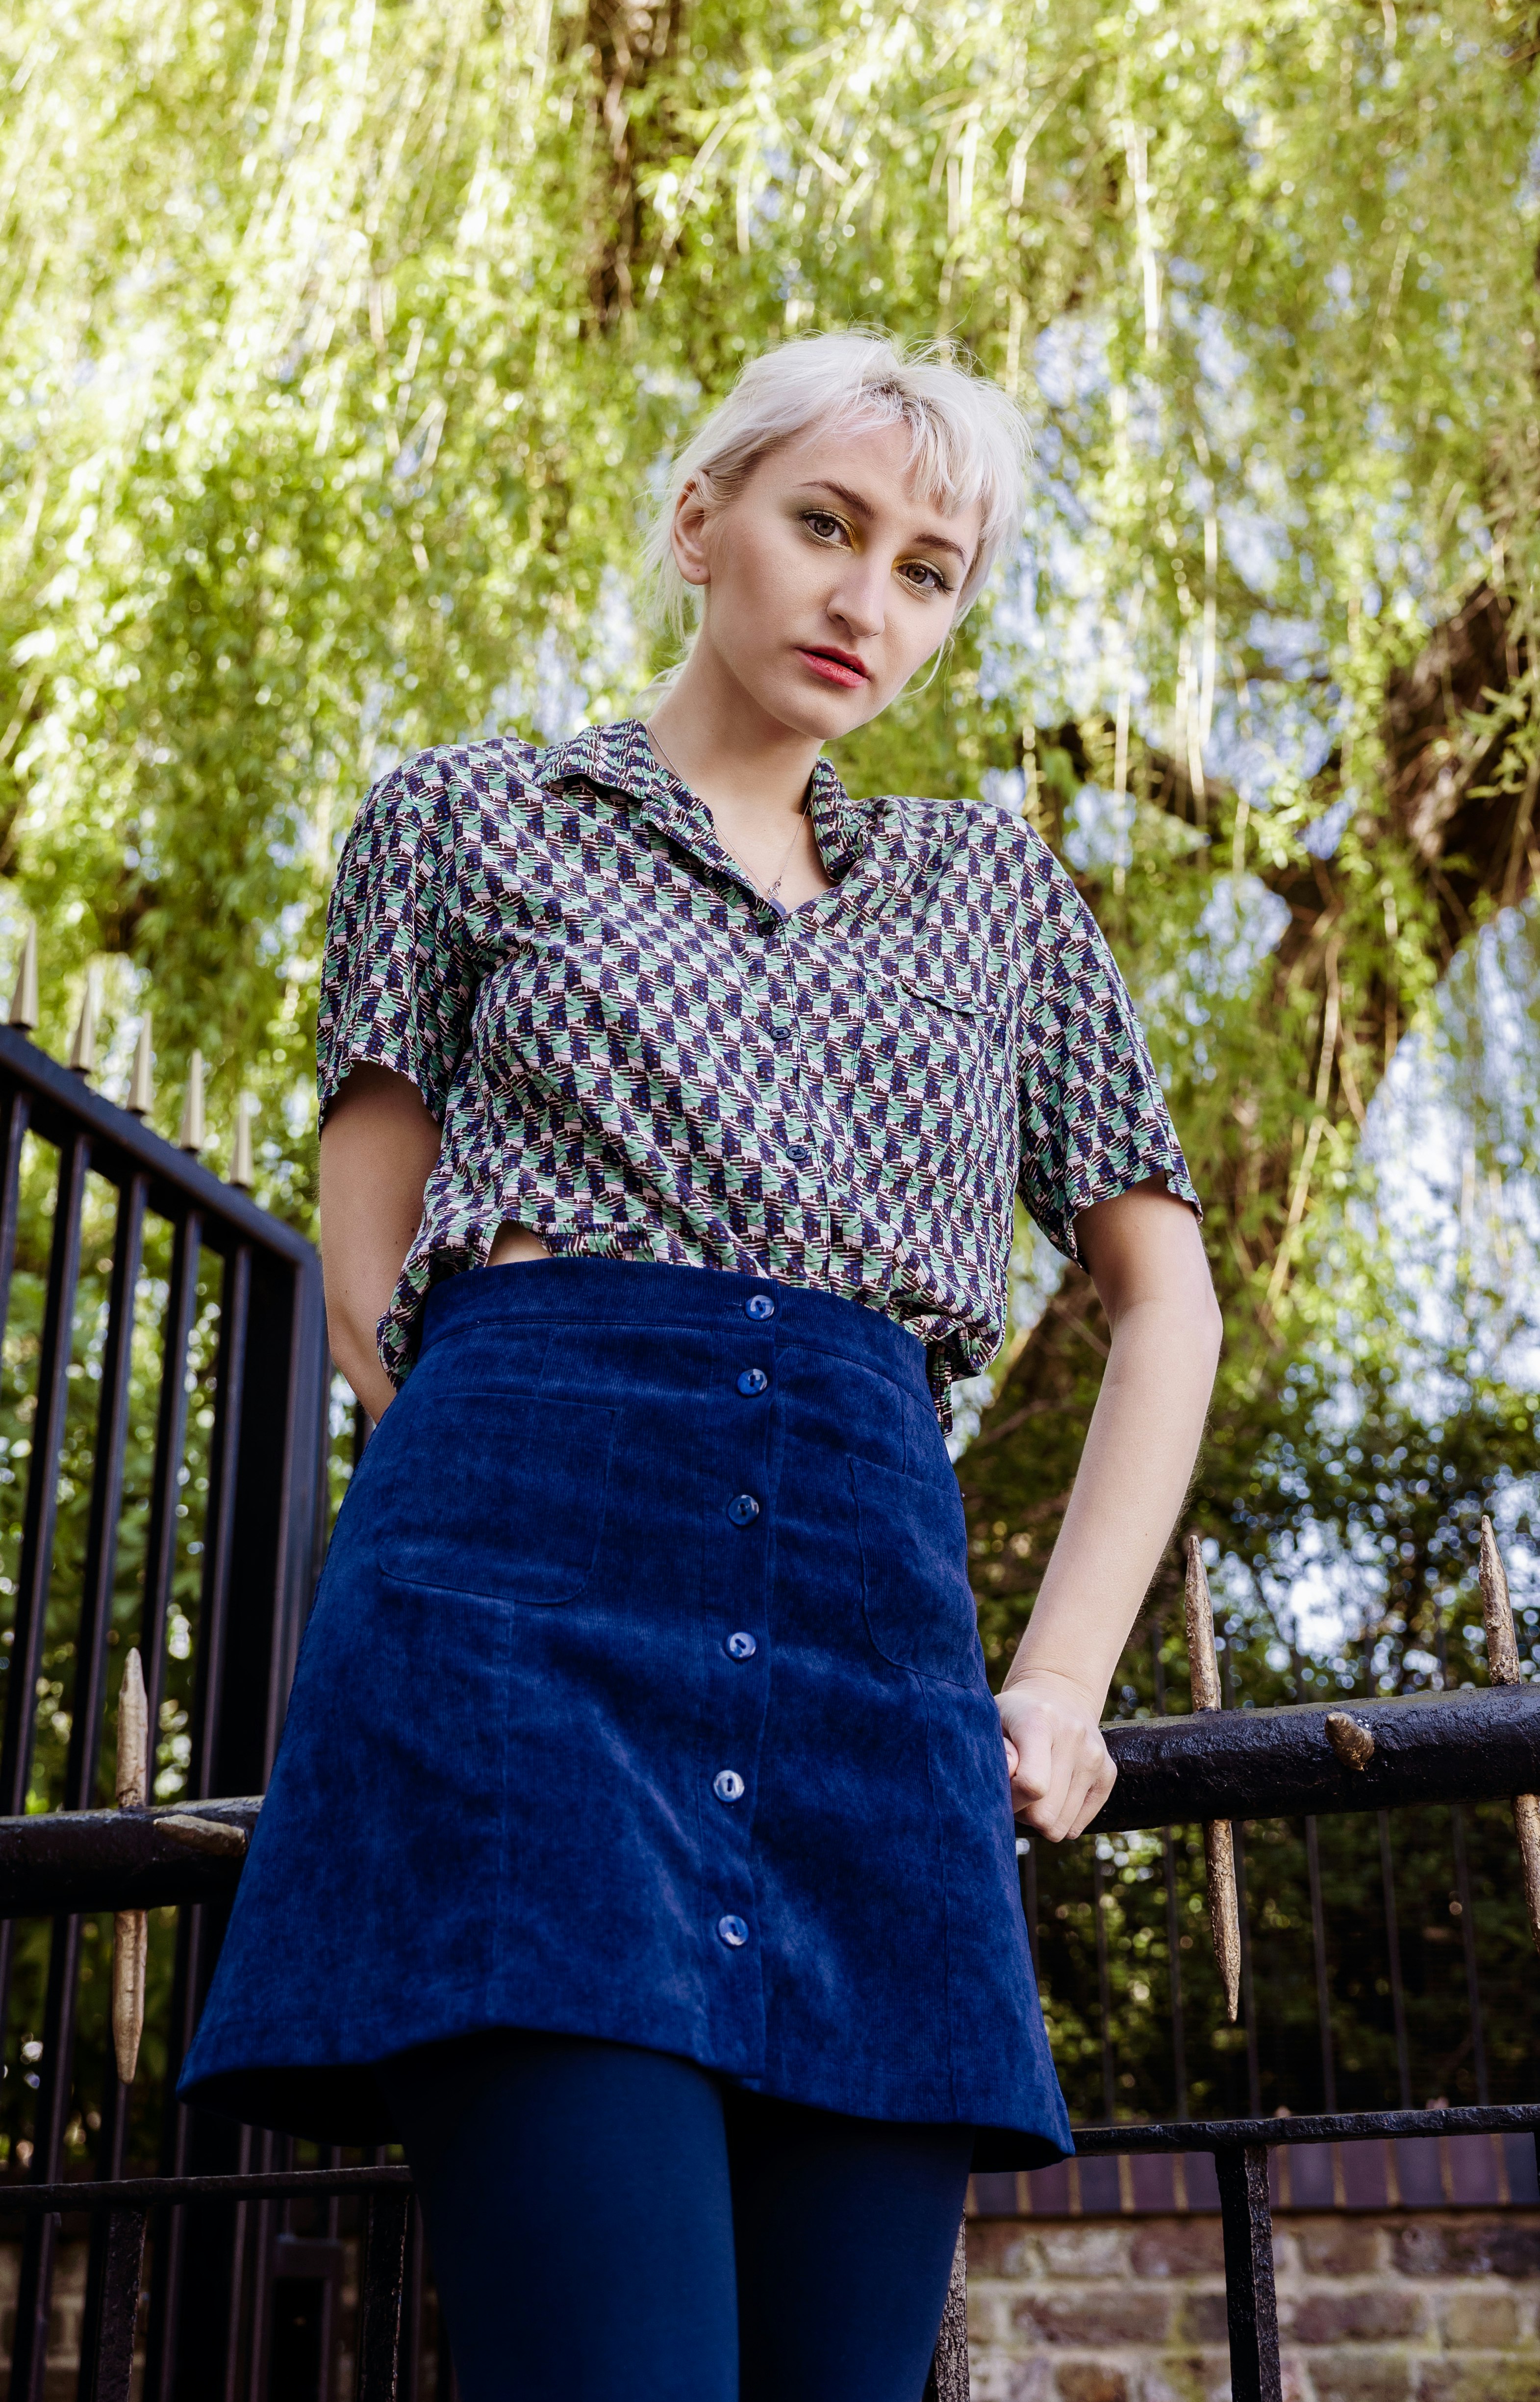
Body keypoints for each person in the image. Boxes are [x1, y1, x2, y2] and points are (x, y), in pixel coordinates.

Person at [179, 330, 1222, 2402]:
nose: (865, 598)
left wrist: (1065, 1678)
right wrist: (541, 1484)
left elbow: (1164, 1297)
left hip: (869, 1640)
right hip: (517, 1622)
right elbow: (374, 1272)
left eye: (929, 568)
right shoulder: (468, 822)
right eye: (824, 524)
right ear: (701, 521)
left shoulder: (996, 899)